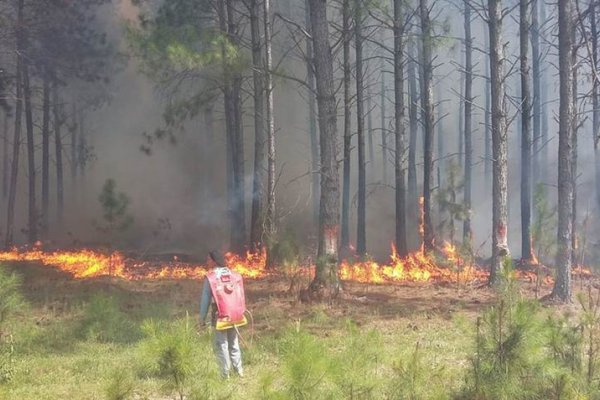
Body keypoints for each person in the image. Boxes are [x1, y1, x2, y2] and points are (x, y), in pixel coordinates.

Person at [199, 251, 246, 379]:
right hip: (236, 314)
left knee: (222, 344)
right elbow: (241, 294)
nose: (206, 261)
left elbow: (206, 299)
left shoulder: (211, 278)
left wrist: (201, 319)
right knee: (234, 342)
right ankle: (239, 371)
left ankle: (225, 375)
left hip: (220, 315)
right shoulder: (234, 275)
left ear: (214, 261)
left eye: (208, 259)